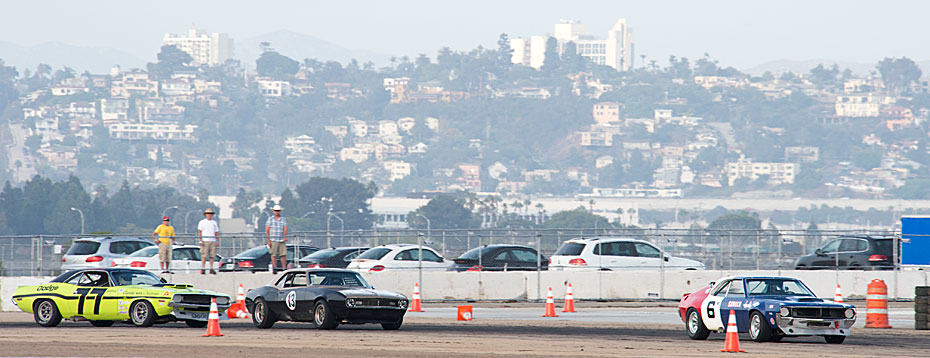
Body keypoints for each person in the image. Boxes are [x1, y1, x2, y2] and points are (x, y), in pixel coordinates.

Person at [265, 204, 288, 273]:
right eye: (275, 211)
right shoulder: (270, 219)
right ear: (273, 211)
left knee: (283, 255)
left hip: (281, 239)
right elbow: (267, 230)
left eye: (278, 211)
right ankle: (274, 268)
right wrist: (268, 240)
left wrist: (285, 236)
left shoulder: (283, 219)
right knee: (273, 255)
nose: (277, 212)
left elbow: (285, 228)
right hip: (273, 239)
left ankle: (284, 268)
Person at [198, 208, 220, 274]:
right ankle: (203, 268)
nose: (209, 215)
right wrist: (200, 240)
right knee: (204, 255)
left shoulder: (214, 223)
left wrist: (217, 241)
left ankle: (211, 268)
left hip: (212, 240)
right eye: (208, 214)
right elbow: (199, 231)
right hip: (205, 240)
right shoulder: (202, 222)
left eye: (210, 214)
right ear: (205, 215)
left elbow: (216, 232)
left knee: (212, 256)